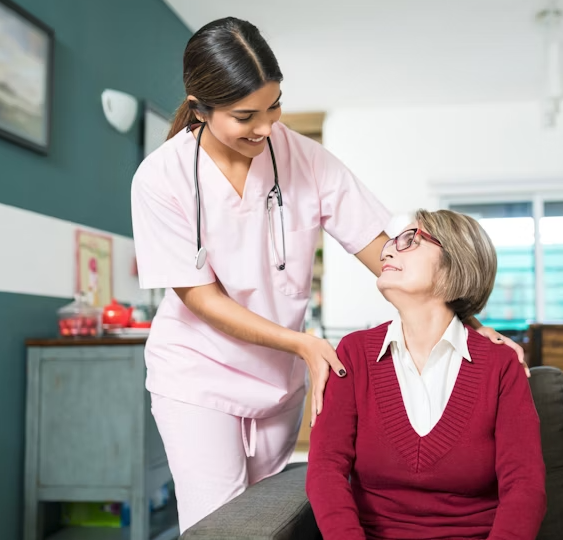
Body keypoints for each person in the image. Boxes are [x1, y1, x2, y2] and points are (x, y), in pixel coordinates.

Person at [130, 17, 528, 533]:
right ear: (200, 108)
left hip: (276, 379)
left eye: (274, 106)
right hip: (197, 372)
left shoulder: (304, 158)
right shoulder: (161, 178)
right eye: (245, 115)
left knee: (269, 523)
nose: (266, 127)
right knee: (220, 527)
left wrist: (469, 326)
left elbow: (388, 253)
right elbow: (199, 297)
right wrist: (301, 342)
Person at [307, 209, 547, 540]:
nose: (387, 250)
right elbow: (325, 472)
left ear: (454, 263)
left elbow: (525, 487)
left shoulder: (501, 366)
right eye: (391, 242)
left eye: (410, 240)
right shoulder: (352, 354)